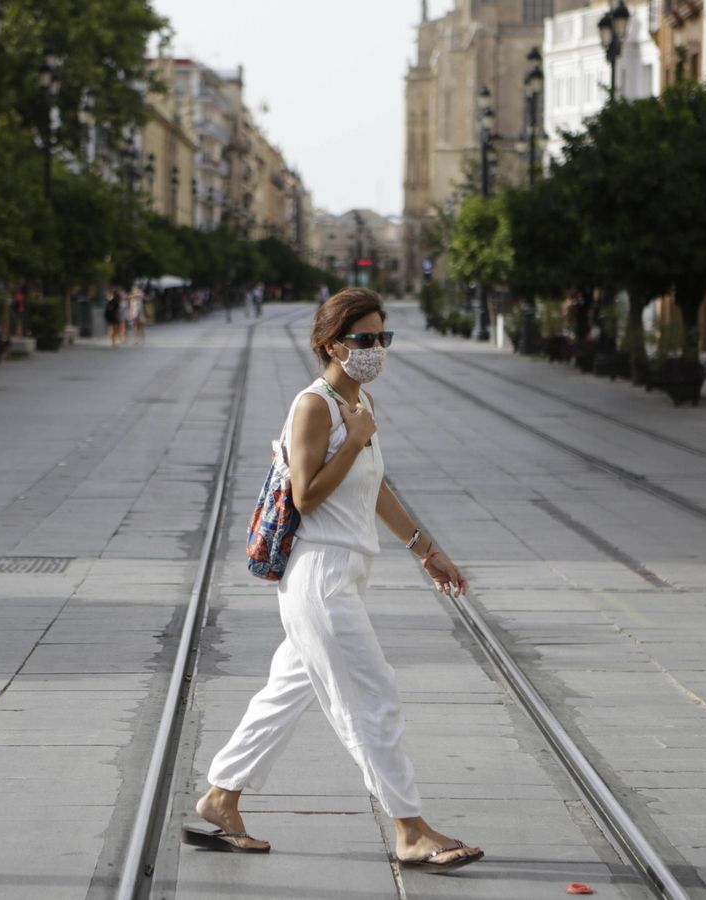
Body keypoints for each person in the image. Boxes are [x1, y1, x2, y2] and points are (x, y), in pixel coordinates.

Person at [183, 288, 483, 873]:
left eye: (383, 338)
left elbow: (373, 489)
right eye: (364, 339)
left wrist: (426, 549)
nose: (376, 349)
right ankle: (411, 829)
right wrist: (358, 438)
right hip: (319, 578)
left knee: (282, 696)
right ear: (331, 343)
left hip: (340, 575)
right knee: (374, 698)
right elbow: (307, 493)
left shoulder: (357, 402)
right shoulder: (314, 406)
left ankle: (221, 799)